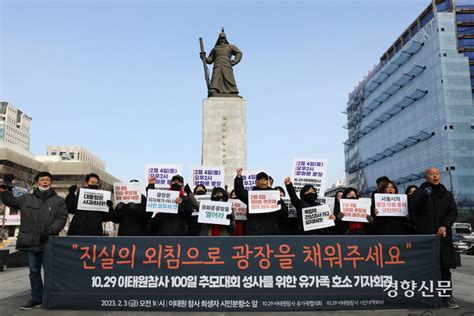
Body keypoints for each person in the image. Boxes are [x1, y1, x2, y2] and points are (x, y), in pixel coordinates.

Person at [0, 172, 68, 310]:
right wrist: (6, 189)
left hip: (48, 241)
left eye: (47, 180)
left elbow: (62, 217)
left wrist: (50, 231)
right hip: (30, 241)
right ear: (37, 182)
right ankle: (37, 298)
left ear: (51, 183)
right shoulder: (26, 198)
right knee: (34, 271)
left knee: (50, 271)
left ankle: (51, 297)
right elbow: (10, 201)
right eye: (42, 179)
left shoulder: (58, 201)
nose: (45, 182)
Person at [409, 167, 459, 309]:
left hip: (443, 236)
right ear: (426, 177)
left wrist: (444, 225)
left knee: (444, 269)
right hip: (426, 236)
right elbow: (414, 209)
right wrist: (425, 196)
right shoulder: (420, 192)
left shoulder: (446, 194)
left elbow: (453, 211)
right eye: (431, 174)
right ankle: (425, 296)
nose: (435, 176)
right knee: (425, 267)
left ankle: (446, 297)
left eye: (437, 174)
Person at [234, 168, 288, 235]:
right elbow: (240, 192)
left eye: (265, 179)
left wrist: (280, 205)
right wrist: (239, 177)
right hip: (253, 234)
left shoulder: (275, 196)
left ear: (268, 182)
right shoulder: (251, 196)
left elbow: (285, 214)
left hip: (271, 234)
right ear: (256, 182)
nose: (263, 181)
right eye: (260, 179)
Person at [200, 28, 242, 97]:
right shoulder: (215, 49)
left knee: (229, 78)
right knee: (216, 78)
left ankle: (232, 91)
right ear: (218, 39)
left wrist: (235, 61)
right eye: (221, 38)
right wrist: (204, 57)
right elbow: (210, 60)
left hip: (227, 65)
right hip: (217, 65)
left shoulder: (230, 47)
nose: (222, 40)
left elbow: (239, 53)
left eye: (223, 38)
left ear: (226, 39)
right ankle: (214, 89)